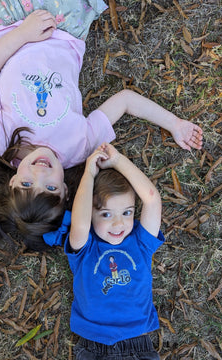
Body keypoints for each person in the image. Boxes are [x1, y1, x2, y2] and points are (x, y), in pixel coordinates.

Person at [0, 9, 203, 251]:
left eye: (27, 184)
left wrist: (22, 34)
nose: (40, 173)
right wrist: (175, 124)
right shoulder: (79, 148)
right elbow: (125, 101)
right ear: (66, 191)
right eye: (51, 187)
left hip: (10, 24)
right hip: (65, 27)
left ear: (12, 182)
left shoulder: (0, 141)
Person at [65, 142, 164, 359]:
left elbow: (152, 199)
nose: (119, 224)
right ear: (90, 215)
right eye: (106, 214)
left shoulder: (141, 243)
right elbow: (80, 224)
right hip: (94, 346)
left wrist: (118, 161)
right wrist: (88, 174)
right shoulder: (85, 248)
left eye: (127, 213)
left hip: (139, 344)